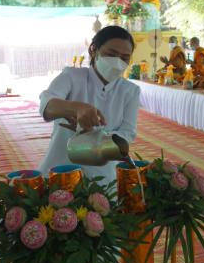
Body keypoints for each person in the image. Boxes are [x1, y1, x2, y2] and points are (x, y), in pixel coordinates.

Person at [39, 26, 140, 187]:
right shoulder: (72, 76)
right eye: (111, 54)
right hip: (61, 169)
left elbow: (126, 135)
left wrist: (94, 135)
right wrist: (76, 108)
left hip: (104, 175)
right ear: (94, 50)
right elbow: (47, 105)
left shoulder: (130, 91)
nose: (118, 62)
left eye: (124, 58)